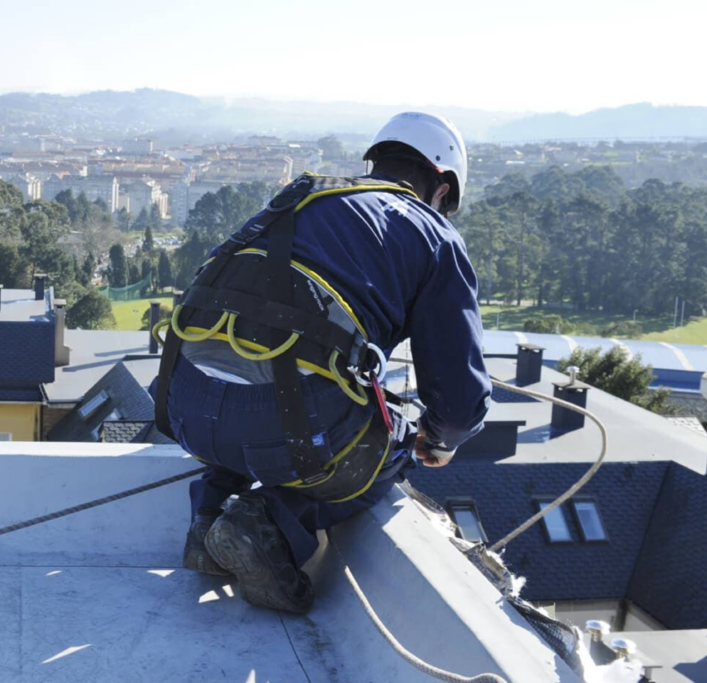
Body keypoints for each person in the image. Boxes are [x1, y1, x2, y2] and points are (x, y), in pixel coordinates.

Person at [151, 112, 491, 614]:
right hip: (286, 424)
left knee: (257, 386)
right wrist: (439, 440)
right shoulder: (433, 234)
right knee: (391, 441)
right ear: (441, 186)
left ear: (377, 161)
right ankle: (268, 524)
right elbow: (460, 399)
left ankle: (208, 520)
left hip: (183, 406)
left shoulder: (301, 195)